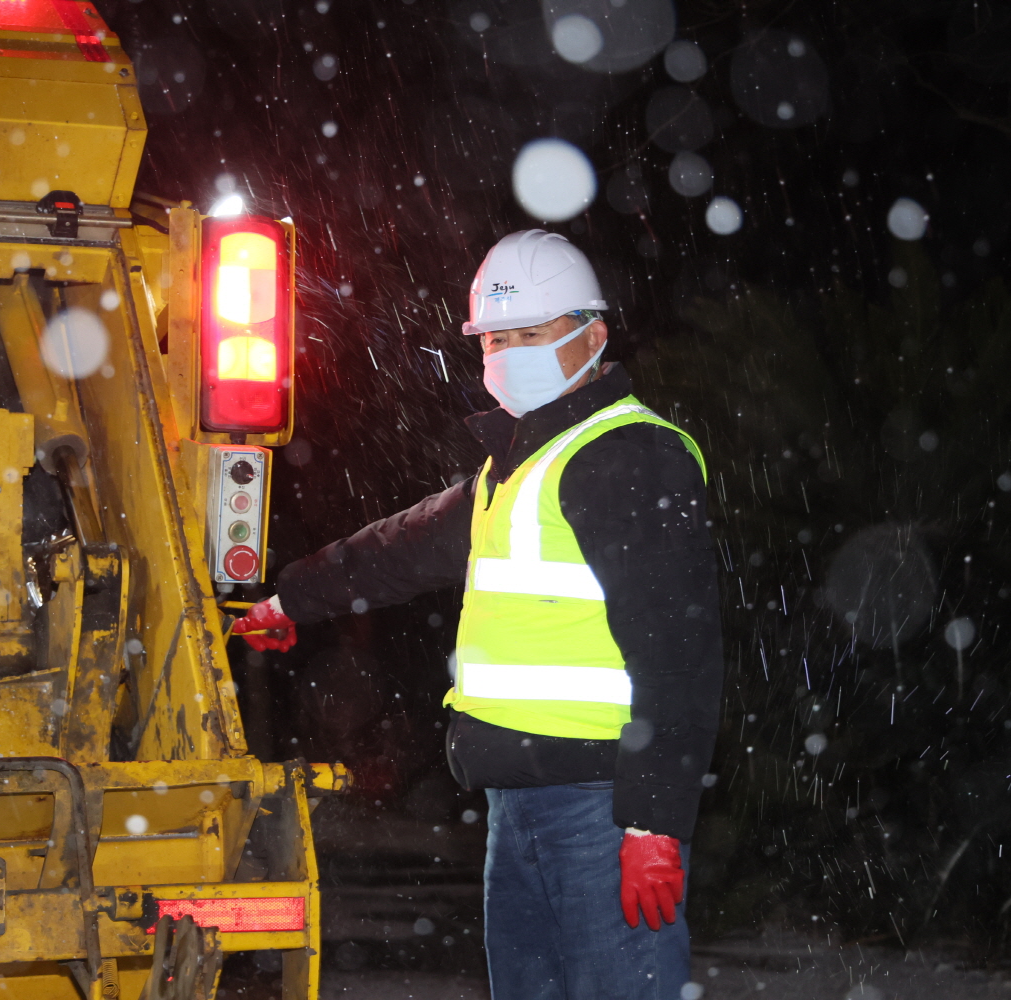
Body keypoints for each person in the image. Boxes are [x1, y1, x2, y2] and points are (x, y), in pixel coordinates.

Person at [232, 230, 724, 999]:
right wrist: (291, 597)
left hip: (602, 810)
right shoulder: (517, 468)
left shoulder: (628, 456)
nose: (505, 354)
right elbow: (399, 548)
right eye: (494, 338)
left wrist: (655, 821)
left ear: (592, 336)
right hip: (517, 805)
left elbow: (680, 656)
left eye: (529, 334)